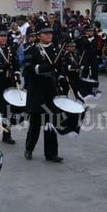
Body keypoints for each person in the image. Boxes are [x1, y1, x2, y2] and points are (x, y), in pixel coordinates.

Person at [23, 25, 62, 162]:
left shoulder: (56, 49)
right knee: (35, 122)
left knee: (51, 122)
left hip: (51, 90)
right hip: (36, 90)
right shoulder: (32, 50)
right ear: (39, 35)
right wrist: (43, 68)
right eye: (45, 33)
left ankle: (51, 153)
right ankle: (29, 148)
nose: (49, 35)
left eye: (50, 33)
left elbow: (60, 68)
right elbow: (27, 69)